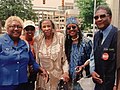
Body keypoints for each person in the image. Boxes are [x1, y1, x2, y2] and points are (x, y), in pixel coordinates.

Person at [0, 16, 48, 90]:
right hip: (4, 84)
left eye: (19, 27)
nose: (16, 29)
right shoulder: (1, 42)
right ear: (7, 28)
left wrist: (41, 69)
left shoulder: (25, 44)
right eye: (12, 26)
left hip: (22, 84)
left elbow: (32, 61)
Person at [34, 19, 69, 90]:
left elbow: (65, 59)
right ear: (41, 28)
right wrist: (39, 70)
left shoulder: (60, 37)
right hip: (43, 78)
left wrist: (66, 72)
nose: (46, 29)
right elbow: (37, 60)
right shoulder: (38, 40)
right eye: (44, 27)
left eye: (48, 26)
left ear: (52, 27)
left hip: (58, 78)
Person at [90, 5, 118, 90]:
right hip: (99, 84)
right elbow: (92, 57)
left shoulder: (117, 35)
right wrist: (92, 71)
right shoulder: (96, 36)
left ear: (110, 17)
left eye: (102, 16)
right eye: (96, 17)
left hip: (112, 85)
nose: (99, 19)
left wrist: (116, 84)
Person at [65, 16, 92, 90]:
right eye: (68, 28)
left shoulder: (86, 42)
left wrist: (83, 66)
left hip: (82, 79)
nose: (71, 29)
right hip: (69, 79)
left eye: (74, 27)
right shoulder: (67, 43)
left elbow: (92, 58)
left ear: (78, 28)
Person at [21, 20, 37, 90]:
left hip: (33, 73)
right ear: (24, 30)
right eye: (27, 29)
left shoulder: (37, 41)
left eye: (32, 29)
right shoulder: (20, 41)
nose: (30, 31)